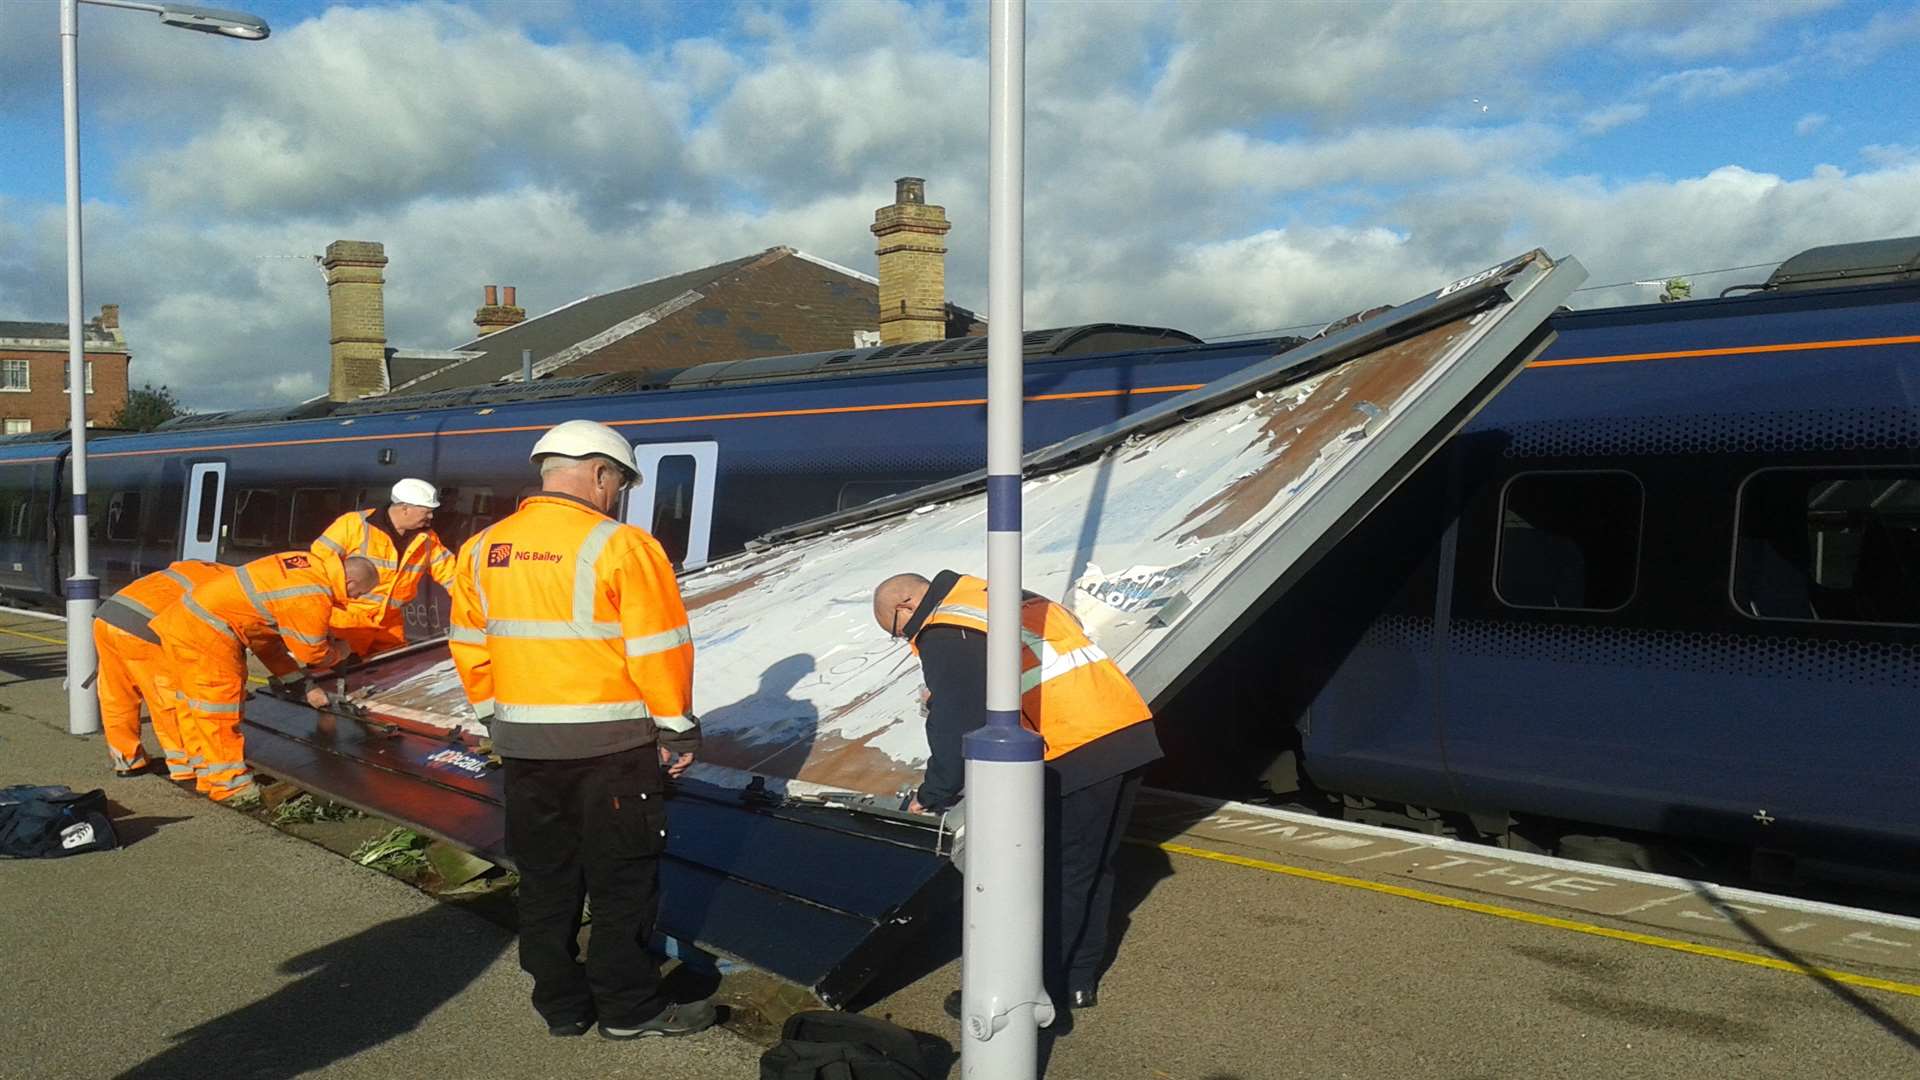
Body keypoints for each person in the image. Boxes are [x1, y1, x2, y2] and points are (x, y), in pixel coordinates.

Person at [447, 419, 713, 1041]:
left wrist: (500, 721)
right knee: (622, 881)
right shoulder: (623, 546)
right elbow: (660, 649)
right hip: (612, 753)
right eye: (617, 481)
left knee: (545, 878)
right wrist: (677, 731)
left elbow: (469, 650)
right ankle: (629, 1009)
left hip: (525, 753)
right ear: (598, 473)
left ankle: (562, 1007)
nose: (616, 494)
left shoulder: (482, 549)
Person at [873, 570, 1162, 1011]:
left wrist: (934, 794)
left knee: (1052, 875)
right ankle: (1077, 981)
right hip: (1123, 730)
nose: (907, 639)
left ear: (904, 606)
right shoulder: (1000, 595)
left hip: (1074, 745)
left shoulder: (947, 627)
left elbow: (957, 719)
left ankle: (1029, 993)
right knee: (1090, 867)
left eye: (899, 632)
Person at [151, 553, 376, 806]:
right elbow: (311, 651)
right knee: (220, 709)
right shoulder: (313, 594)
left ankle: (207, 775)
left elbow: (265, 641)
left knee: (197, 705)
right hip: (207, 634)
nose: (355, 599)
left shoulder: (306, 566)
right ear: (351, 583)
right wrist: (340, 653)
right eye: (359, 594)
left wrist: (305, 687)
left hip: (186, 624)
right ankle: (230, 786)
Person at [90, 560, 235, 780]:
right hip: (145, 629)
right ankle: (185, 765)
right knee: (168, 698)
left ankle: (128, 760)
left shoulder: (199, 567)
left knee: (117, 695)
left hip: (107, 617)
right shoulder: (231, 586)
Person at [312, 478, 457, 658]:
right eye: (426, 512)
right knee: (332, 676)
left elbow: (453, 576)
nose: (431, 517)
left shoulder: (427, 539)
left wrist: (475, 603)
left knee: (393, 675)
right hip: (345, 623)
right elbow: (315, 570)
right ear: (405, 509)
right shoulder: (353, 525)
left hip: (389, 627)